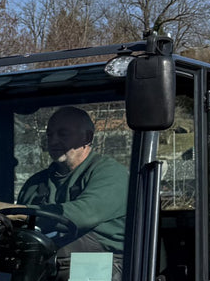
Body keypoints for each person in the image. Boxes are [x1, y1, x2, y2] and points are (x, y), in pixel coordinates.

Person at [13, 106, 128, 253]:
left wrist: (23, 212)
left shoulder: (109, 174)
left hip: (102, 264)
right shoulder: (35, 184)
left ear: (87, 138)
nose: (53, 141)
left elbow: (83, 215)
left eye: (63, 134)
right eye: (49, 135)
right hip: (44, 264)